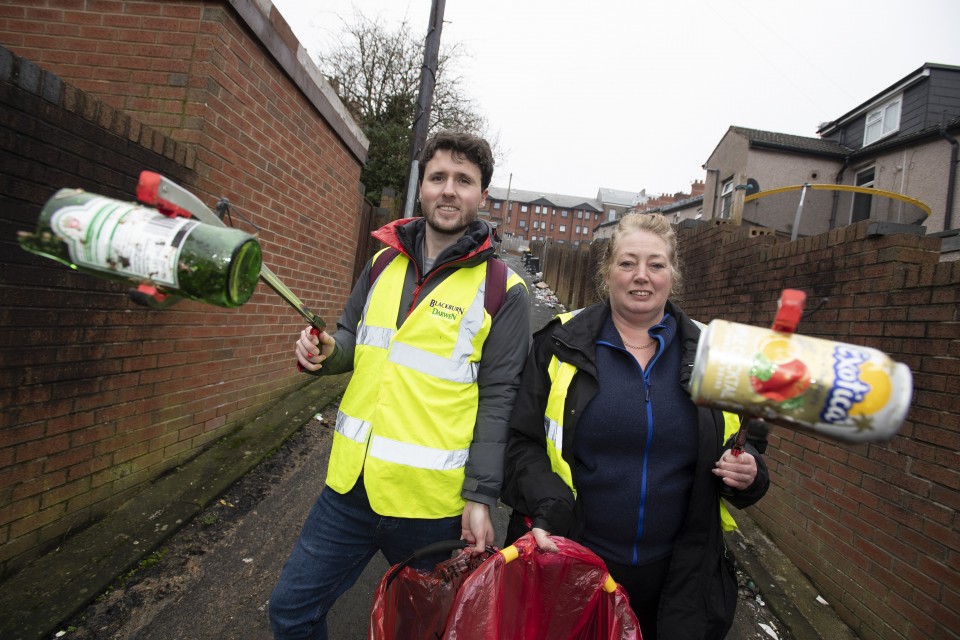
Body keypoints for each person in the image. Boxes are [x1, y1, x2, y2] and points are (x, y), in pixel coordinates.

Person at [270, 131, 531, 639]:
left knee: (425, 632)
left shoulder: (504, 290)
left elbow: (500, 401)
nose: (448, 190)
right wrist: (324, 354)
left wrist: (481, 496)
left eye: (464, 180)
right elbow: (349, 339)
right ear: (422, 189)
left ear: (482, 196)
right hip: (350, 489)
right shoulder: (382, 262)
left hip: (431, 508)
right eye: (438, 178)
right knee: (291, 611)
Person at [501, 212, 769, 640]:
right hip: (575, 563)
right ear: (607, 271)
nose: (641, 276)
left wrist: (749, 473)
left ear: (672, 274)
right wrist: (548, 502)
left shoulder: (715, 353)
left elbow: (748, 444)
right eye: (628, 263)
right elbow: (520, 442)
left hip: (680, 581)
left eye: (656, 264)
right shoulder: (559, 343)